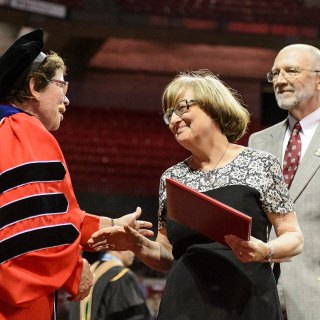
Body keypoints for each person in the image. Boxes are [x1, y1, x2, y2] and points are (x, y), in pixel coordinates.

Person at [88, 70, 304, 320]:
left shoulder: (260, 163)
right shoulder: (172, 177)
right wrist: (136, 244)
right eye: (169, 115)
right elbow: (167, 254)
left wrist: (265, 251)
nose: (173, 120)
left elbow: (294, 237)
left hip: (248, 302)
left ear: (213, 106)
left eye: (182, 108)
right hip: (184, 306)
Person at [0, 29, 152, 320]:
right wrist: (73, 267)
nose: (66, 100)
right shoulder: (24, 131)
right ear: (34, 87)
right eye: (61, 85)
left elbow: (50, 215)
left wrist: (110, 224)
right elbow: (30, 230)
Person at [248, 44, 320, 320]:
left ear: (319, 78)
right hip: (260, 293)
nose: (279, 80)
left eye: (291, 71)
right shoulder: (259, 141)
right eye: (275, 73)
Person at [68, 250, 152, 320]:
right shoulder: (121, 276)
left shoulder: (89, 271)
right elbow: (137, 316)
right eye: (131, 246)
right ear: (120, 246)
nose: (134, 253)